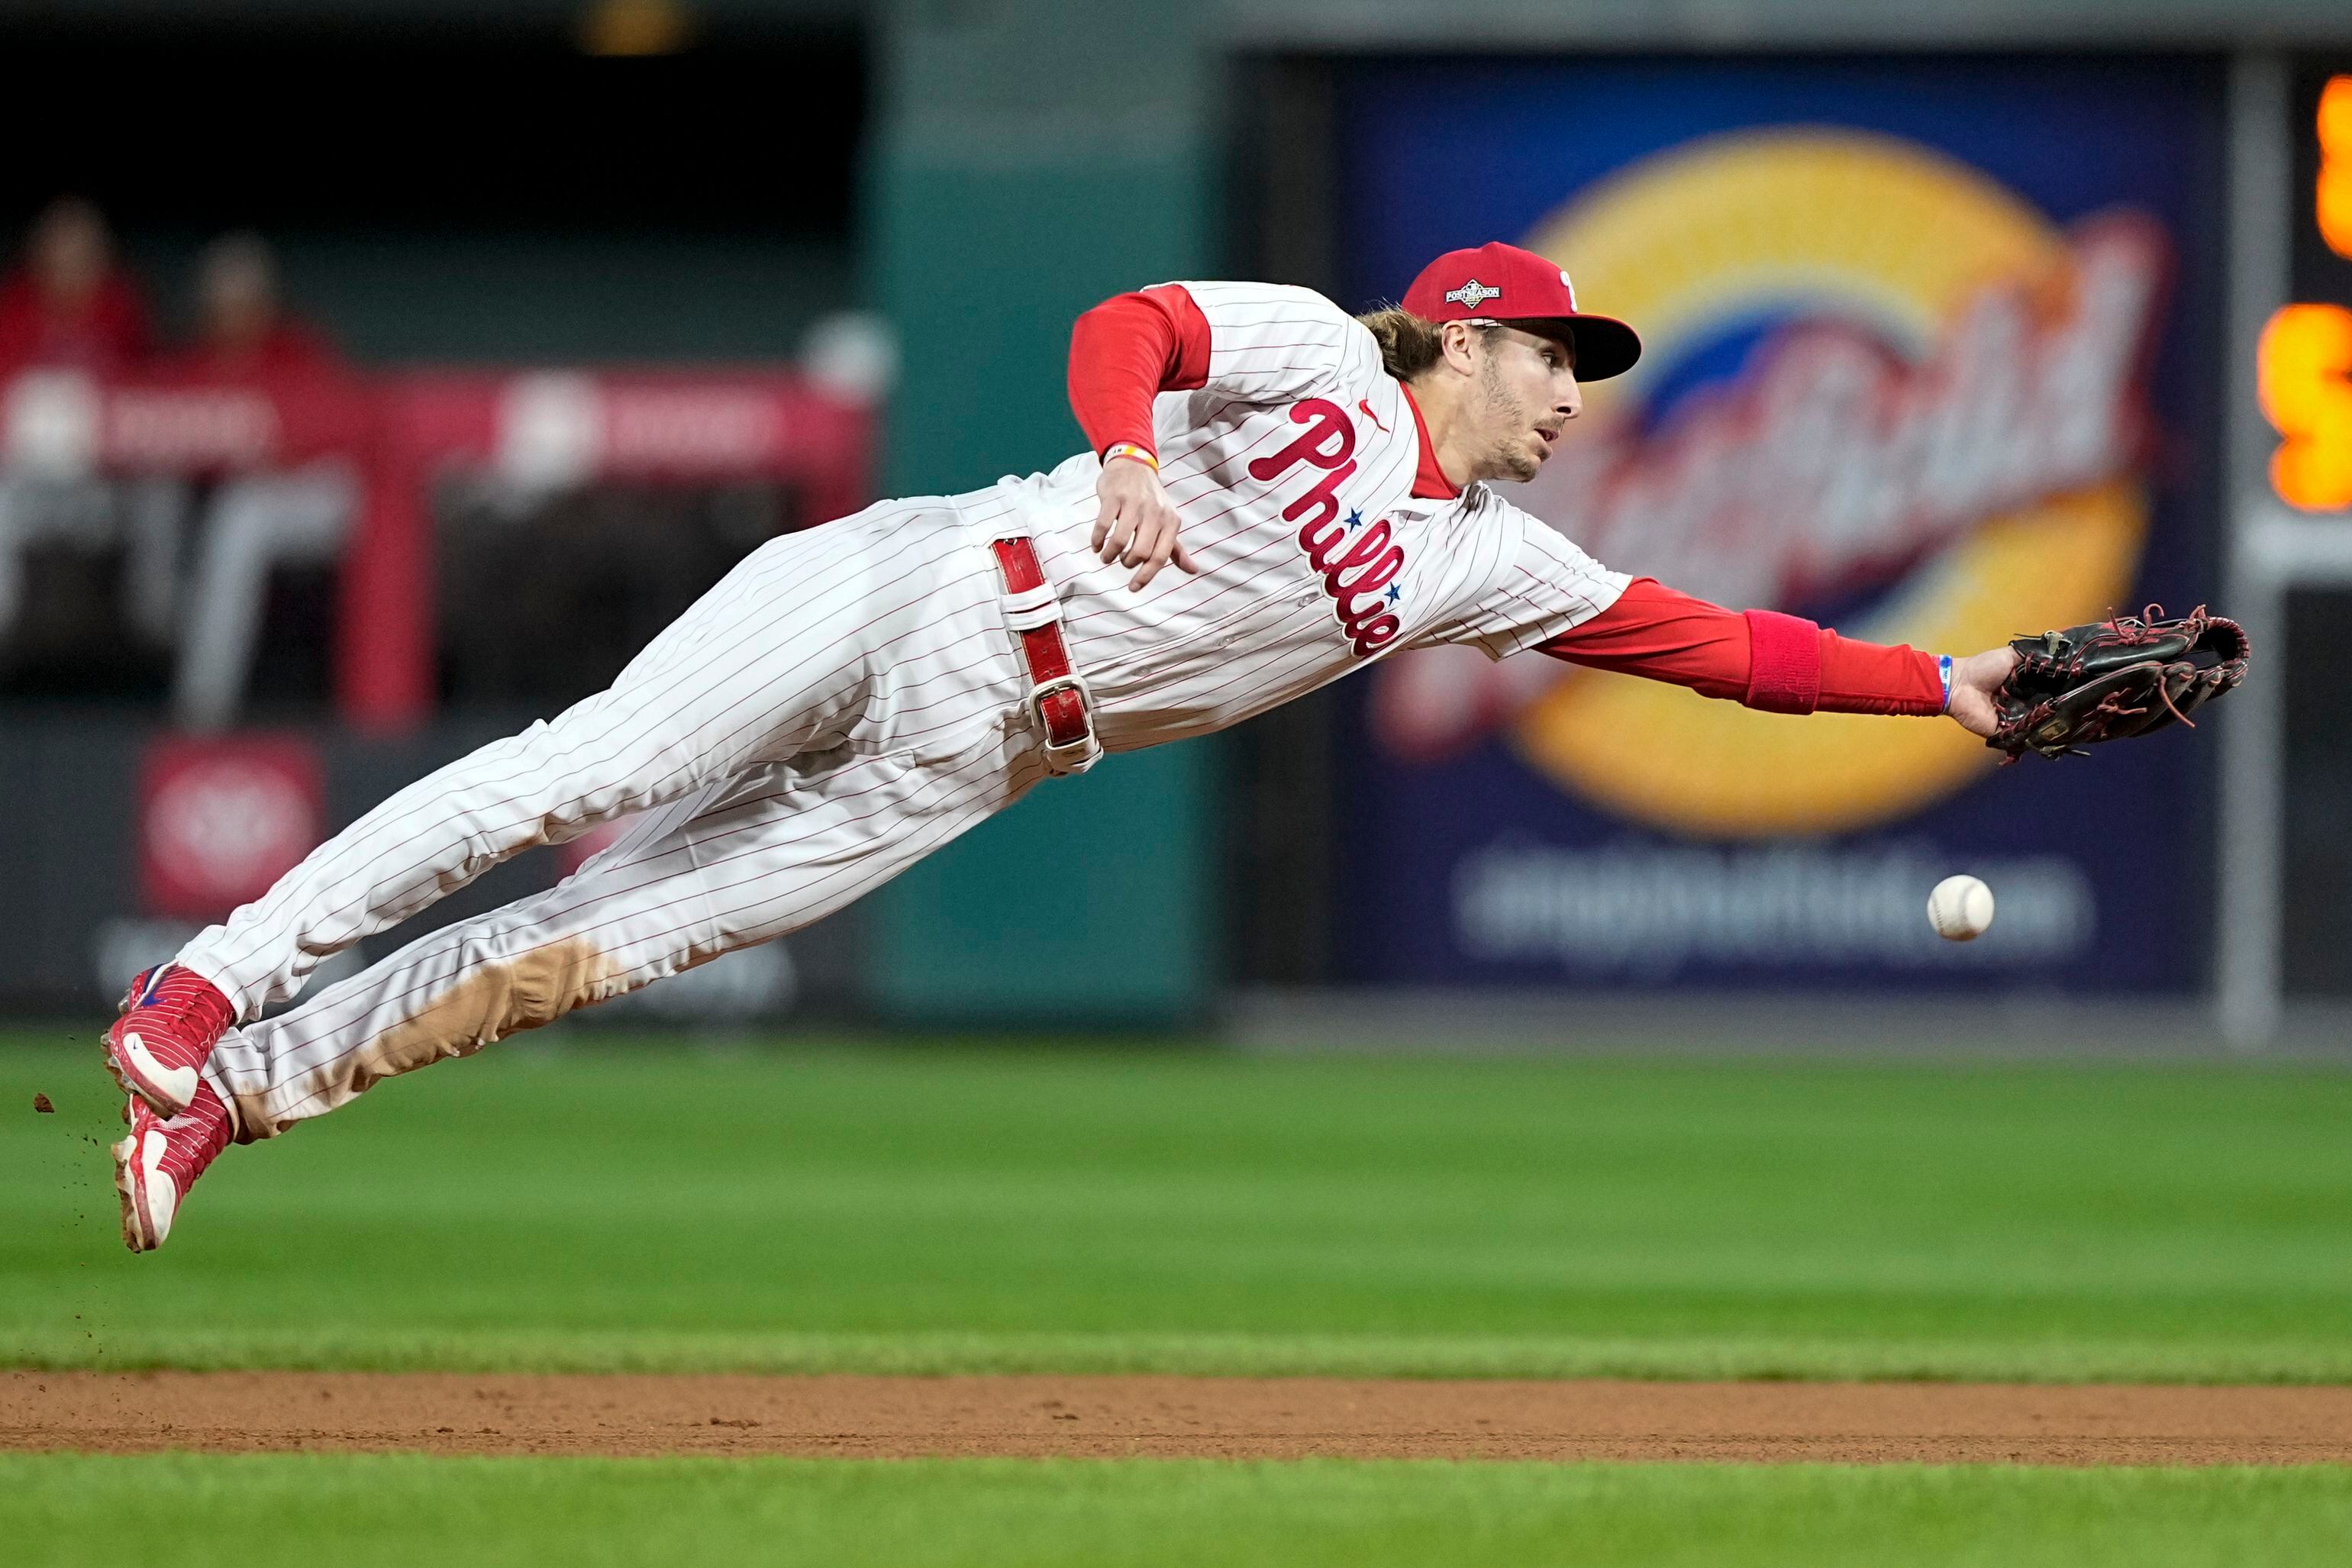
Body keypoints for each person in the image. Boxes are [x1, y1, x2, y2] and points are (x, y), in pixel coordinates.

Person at [104, 240, 2020, 1250]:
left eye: (1586, 376)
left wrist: (1946, 683)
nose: (1573, 396)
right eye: (1553, 360)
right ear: (1462, 337)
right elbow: (1134, 322)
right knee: (574, 772)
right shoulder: (1328, 359)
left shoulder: (1486, 562)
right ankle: (206, 987)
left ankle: (242, 1091)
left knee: (587, 950)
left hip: (979, 760)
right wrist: (1120, 452)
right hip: (920, 584)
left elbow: (1725, 647)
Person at [154, 234, 363, 729]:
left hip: (315, 495)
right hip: (231, 501)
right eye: (223, 304)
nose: (234, 315)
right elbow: (156, 440)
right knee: (210, 508)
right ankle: (163, 630)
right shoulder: (194, 363)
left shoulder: (297, 349)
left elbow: (341, 432)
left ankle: (202, 708)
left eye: (246, 302)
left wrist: (275, 454)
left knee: (243, 513)